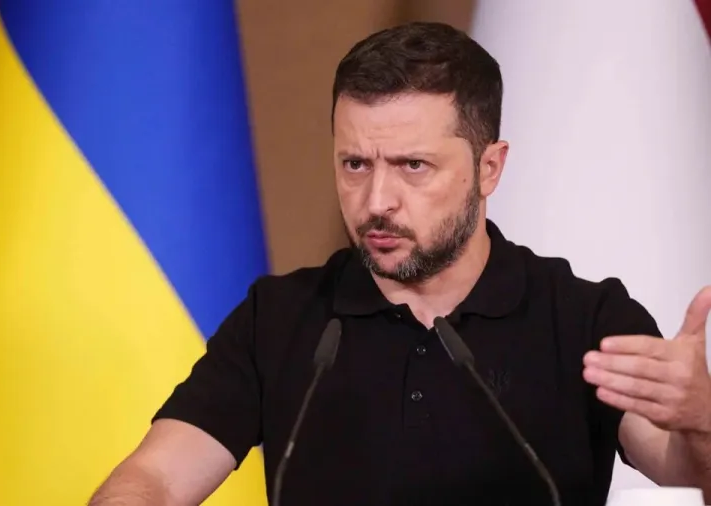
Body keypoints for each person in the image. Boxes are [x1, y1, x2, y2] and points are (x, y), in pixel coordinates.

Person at [89, 21, 711, 506]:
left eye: (413, 166)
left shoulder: (583, 318)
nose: (376, 201)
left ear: (489, 168)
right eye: (355, 164)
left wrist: (701, 418)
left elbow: (686, 469)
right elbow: (155, 479)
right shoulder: (278, 318)